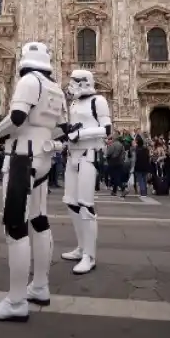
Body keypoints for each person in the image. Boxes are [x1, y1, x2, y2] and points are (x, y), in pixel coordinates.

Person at [0, 42, 66, 322]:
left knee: (15, 228)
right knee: (39, 221)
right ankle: (39, 286)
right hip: (42, 160)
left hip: (21, 159)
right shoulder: (56, 89)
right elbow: (66, 131)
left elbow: (17, 117)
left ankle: (16, 301)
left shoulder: (29, 81)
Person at [60, 69, 112, 275]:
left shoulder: (98, 101)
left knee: (85, 205)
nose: (70, 85)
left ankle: (89, 256)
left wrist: (80, 133)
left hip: (89, 156)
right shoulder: (73, 103)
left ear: (84, 82)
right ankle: (81, 247)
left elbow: (107, 129)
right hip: (72, 156)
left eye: (74, 82)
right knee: (71, 203)